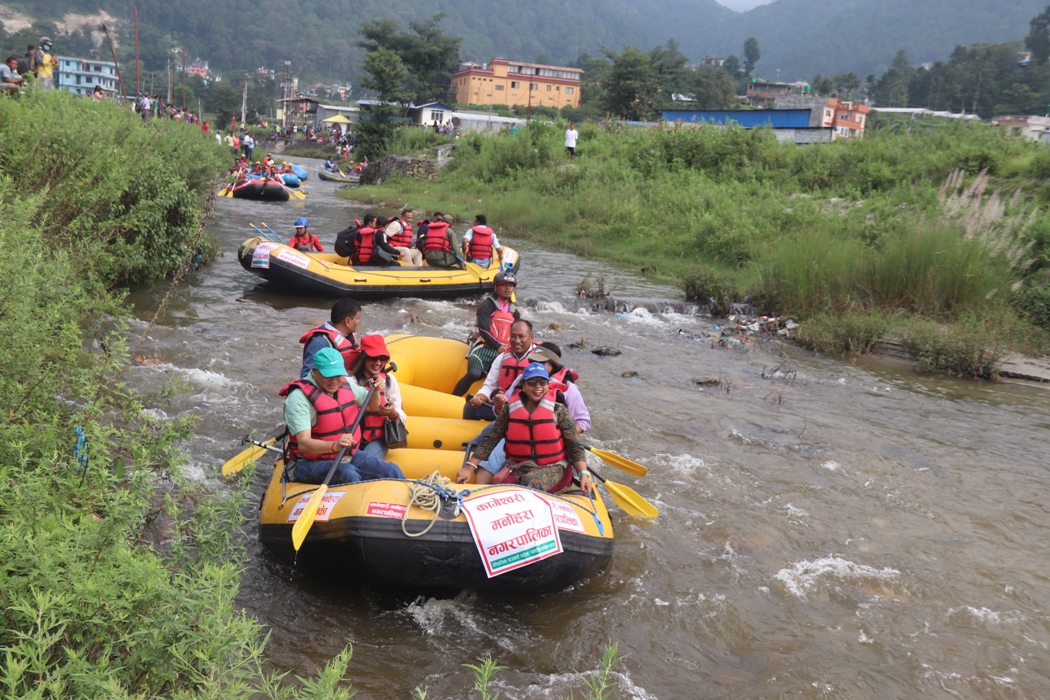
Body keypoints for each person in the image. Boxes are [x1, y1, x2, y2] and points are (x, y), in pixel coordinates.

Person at [456, 363, 591, 494]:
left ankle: (566, 485)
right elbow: (491, 439)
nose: (538, 386)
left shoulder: (559, 411)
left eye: (543, 382)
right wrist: (469, 468)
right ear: (523, 385)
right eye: (532, 382)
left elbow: (574, 445)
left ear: (548, 385)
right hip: (521, 466)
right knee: (500, 489)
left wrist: (583, 473)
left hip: (554, 467)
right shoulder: (509, 410)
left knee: (528, 483)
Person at [279, 347, 405, 485]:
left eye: (337, 375)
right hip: (308, 462)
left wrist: (375, 391)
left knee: (392, 470)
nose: (334, 381)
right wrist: (335, 445)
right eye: (328, 376)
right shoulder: (298, 398)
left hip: (347, 454)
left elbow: (372, 406)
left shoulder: (347, 383)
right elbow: (304, 444)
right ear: (314, 371)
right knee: (347, 474)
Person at [453, 271, 519, 396]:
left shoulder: (515, 312)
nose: (508, 288)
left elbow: (517, 334)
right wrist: (497, 346)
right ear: (495, 287)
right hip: (484, 347)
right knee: (474, 374)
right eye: (504, 285)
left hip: (503, 352)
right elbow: (483, 329)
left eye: (511, 285)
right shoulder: (487, 304)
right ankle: (453, 397)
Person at [464, 319, 536, 420]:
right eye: (513, 336)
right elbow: (489, 386)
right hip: (500, 408)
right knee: (470, 408)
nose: (517, 340)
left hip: (526, 413)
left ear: (531, 337)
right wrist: (479, 399)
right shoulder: (502, 358)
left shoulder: (540, 360)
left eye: (521, 336)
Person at [352, 335, 406, 460]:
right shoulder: (351, 380)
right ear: (364, 358)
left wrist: (392, 413)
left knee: (366, 461)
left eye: (382, 359)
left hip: (377, 440)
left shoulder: (389, 381)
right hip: (353, 438)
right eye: (373, 358)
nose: (378, 363)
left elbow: (401, 415)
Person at [299, 298, 362, 379]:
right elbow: (305, 376)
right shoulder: (319, 342)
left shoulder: (348, 336)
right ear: (348, 321)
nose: (359, 322)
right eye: (358, 318)